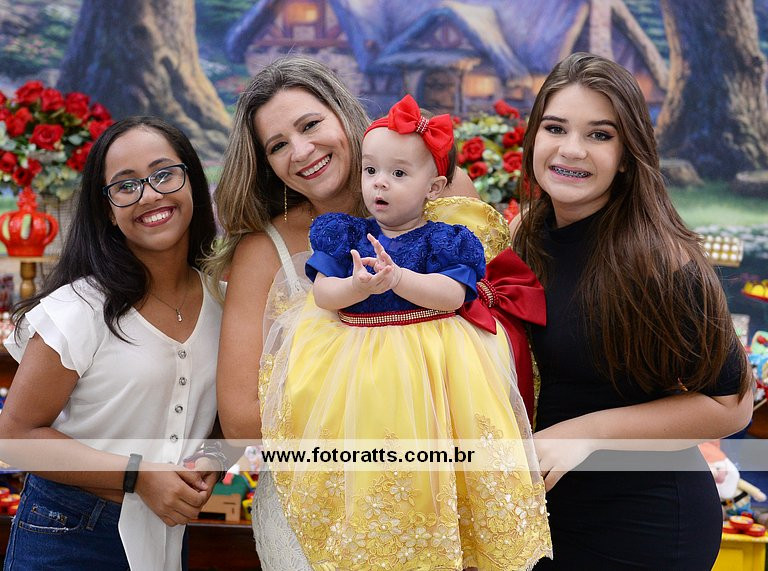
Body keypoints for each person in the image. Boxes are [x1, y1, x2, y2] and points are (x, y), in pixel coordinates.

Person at [206, 56, 508, 570]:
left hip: (441, 492)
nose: (301, 151)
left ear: (343, 114)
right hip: (316, 509)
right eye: (278, 145)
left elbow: (494, 325)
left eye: (310, 125)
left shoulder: (445, 198)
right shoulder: (263, 251)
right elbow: (241, 421)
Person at [259, 93, 551, 570]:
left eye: (399, 173)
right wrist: (356, 285)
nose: (380, 183)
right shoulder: (346, 235)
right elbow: (323, 294)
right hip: (359, 370)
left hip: (432, 369)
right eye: (371, 170)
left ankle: (437, 530)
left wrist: (399, 279)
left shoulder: (445, 238)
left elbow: (454, 296)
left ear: (434, 187)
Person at [510, 53, 752, 568]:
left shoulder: (661, 263)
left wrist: (586, 433)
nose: (571, 149)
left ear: (626, 155)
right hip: (541, 517)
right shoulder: (522, 234)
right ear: (533, 138)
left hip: (643, 524)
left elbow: (734, 404)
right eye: (556, 128)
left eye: (599, 134)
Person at [0, 116, 226, 570]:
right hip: (67, 533)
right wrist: (137, 476)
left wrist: (213, 459)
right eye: (126, 186)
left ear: (192, 183)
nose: (150, 195)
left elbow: (229, 413)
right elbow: (14, 438)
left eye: (164, 174)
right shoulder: (79, 307)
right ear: (107, 210)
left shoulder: (226, 302)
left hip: (164, 533)